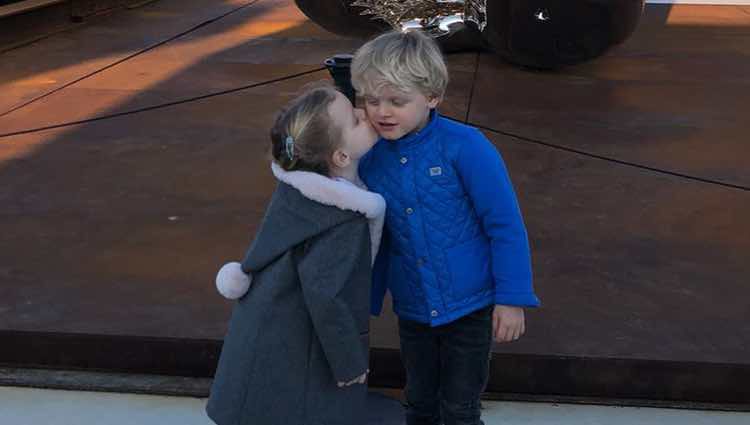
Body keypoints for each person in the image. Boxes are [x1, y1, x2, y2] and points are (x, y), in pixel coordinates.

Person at [352, 30, 541, 425]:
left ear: (432, 97)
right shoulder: (370, 158)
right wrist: (362, 298)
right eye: (372, 100)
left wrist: (512, 298)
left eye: (397, 101)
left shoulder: (465, 146)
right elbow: (374, 235)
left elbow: (504, 225)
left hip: (470, 307)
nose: (382, 111)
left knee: (459, 408)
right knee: (420, 402)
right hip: (414, 309)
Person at [205, 85, 386, 425]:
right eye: (355, 119)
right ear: (341, 157)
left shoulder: (296, 192)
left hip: (266, 339)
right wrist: (349, 362)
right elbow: (324, 294)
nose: (365, 114)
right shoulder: (343, 219)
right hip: (300, 351)